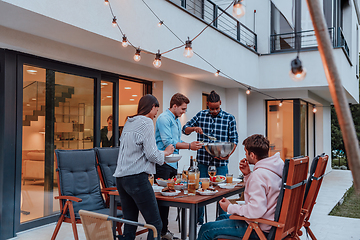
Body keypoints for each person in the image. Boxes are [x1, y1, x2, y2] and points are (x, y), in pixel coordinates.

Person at [197, 134, 284, 240]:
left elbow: (256, 210)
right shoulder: (274, 168)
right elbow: (264, 190)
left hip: (258, 228)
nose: (245, 155)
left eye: (245, 152)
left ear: (252, 155)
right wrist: (248, 175)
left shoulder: (259, 175)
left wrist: (229, 207)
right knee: (221, 218)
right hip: (270, 223)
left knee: (205, 229)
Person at [113, 94, 175, 240]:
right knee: (155, 225)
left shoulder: (129, 121)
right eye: (156, 111)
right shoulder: (146, 122)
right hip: (136, 179)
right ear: (152, 107)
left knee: (130, 222)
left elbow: (138, 152)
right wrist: (165, 153)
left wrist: (160, 156)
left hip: (121, 179)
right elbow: (152, 155)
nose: (155, 115)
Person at [182, 90, 238, 224]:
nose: (214, 111)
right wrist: (195, 128)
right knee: (200, 192)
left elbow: (234, 140)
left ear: (220, 103)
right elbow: (185, 129)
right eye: (211, 108)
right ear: (207, 104)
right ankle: (198, 221)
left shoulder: (229, 118)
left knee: (222, 194)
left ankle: (221, 221)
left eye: (216, 108)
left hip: (220, 163)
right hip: (203, 161)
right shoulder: (201, 115)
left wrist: (227, 155)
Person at [155, 93, 203, 240]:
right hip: (163, 163)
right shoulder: (164, 118)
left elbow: (177, 140)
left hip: (172, 163)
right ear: (174, 106)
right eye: (182, 109)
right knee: (162, 200)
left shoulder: (176, 120)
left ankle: (164, 231)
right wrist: (189, 146)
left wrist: (190, 144)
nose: (184, 112)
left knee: (169, 197)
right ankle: (159, 232)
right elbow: (167, 142)